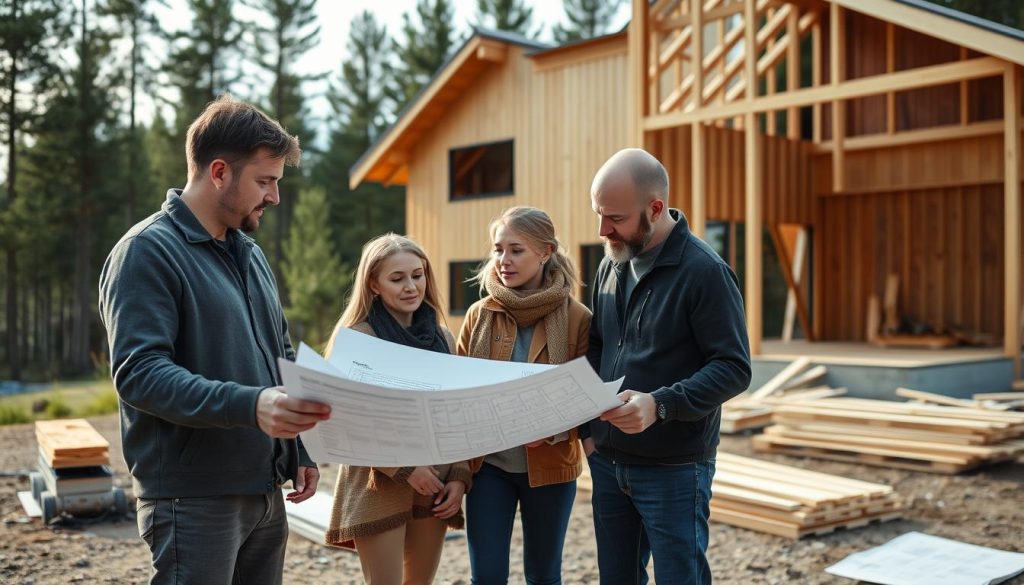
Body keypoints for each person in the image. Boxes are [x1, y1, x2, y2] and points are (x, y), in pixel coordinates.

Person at [98, 95, 331, 585]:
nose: (274, 197)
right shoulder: (146, 253)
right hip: (193, 500)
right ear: (220, 172)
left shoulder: (249, 252)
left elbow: (279, 354)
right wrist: (253, 406)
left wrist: (299, 450)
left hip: (266, 493)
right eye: (264, 182)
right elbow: (140, 375)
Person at [584, 148, 751, 585]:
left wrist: (660, 405)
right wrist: (587, 428)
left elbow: (734, 367)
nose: (603, 230)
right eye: (599, 214)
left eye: (614, 218)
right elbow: (598, 346)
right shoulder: (611, 262)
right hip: (608, 461)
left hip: (675, 469)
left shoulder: (705, 272)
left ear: (655, 209)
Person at [323, 234, 472, 585]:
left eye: (417, 275)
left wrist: (460, 477)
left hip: (435, 484)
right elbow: (346, 422)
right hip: (379, 486)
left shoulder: (443, 338)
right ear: (373, 284)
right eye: (397, 278)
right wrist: (406, 469)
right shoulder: (358, 339)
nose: (411, 286)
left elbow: (458, 414)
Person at [457, 206, 591, 585]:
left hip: (550, 466)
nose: (503, 260)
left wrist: (550, 428)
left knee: (544, 576)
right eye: (498, 249)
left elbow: (582, 397)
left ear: (545, 251)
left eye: (516, 250)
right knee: (486, 577)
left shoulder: (578, 318)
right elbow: (458, 394)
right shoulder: (478, 314)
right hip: (488, 468)